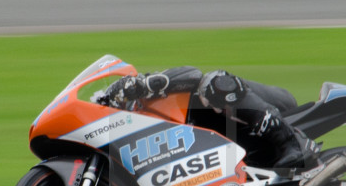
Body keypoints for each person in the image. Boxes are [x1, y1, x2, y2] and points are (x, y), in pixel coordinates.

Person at [99, 67, 319, 169]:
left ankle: (295, 143)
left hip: (276, 107)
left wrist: (144, 84)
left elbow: (192, 74)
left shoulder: (146, 96)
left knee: (214, 84)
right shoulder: (143, 144)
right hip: (245, 150)